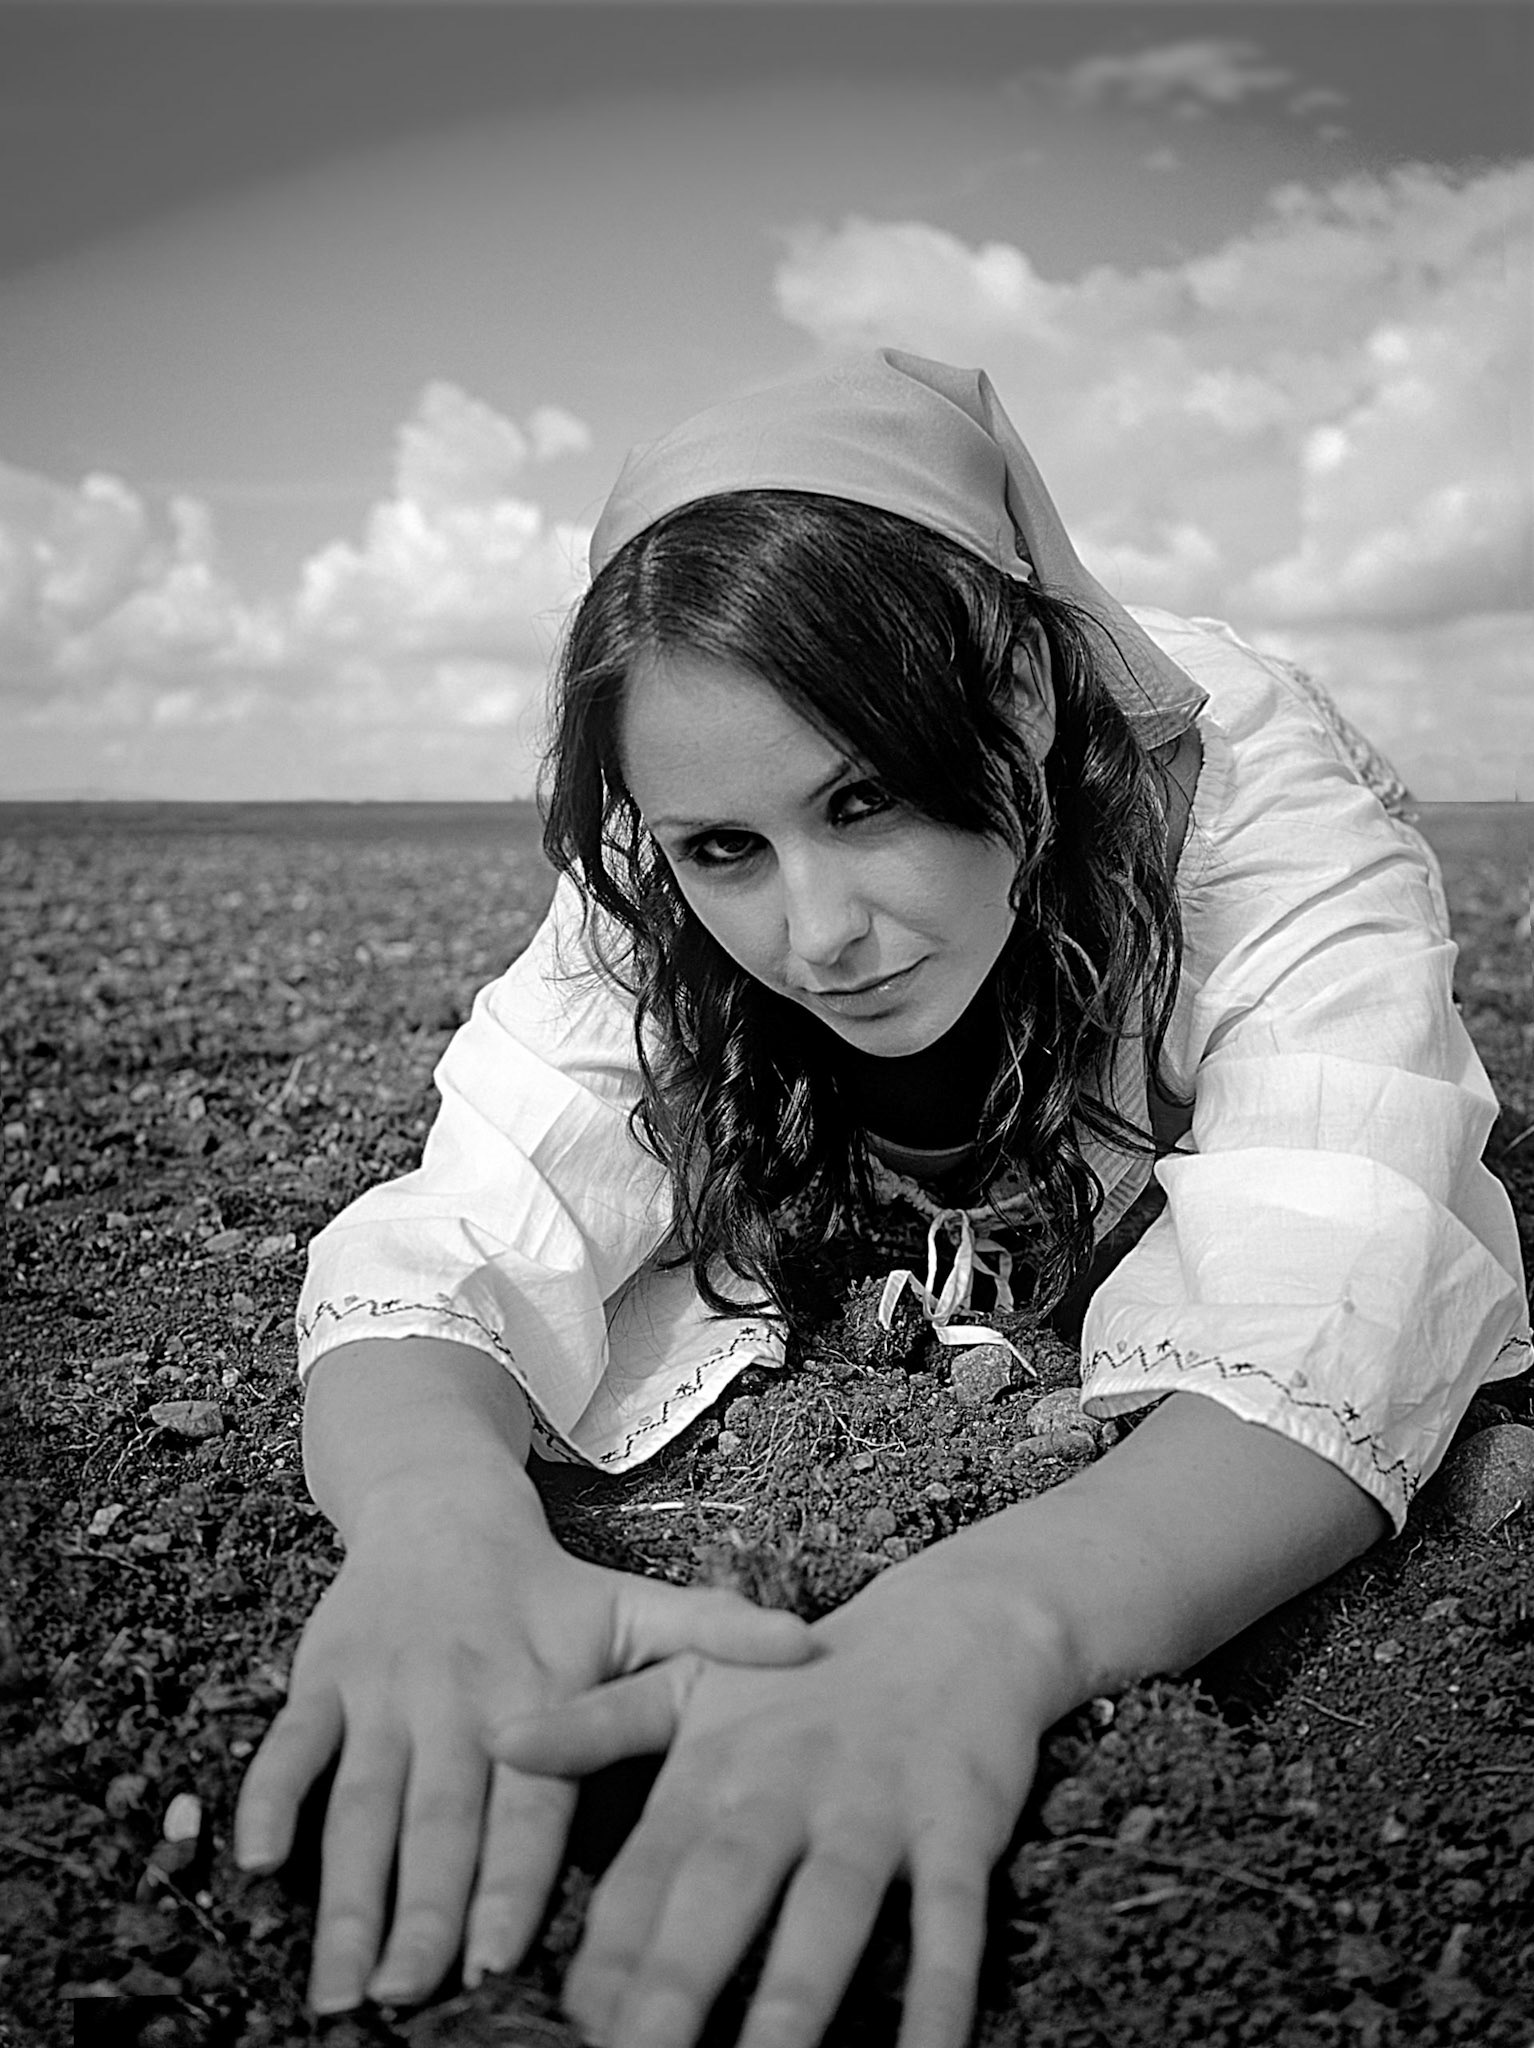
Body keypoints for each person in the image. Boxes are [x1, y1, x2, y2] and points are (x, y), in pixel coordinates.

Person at [234, 350, 1530, 2048]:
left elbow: (1344, 1271)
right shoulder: (665, 827)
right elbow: (475, 1208)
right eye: (727, 852)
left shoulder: (1237, 790)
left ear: (1020, 702)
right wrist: (435, 1533)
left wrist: (994, 1621)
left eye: (867, 799)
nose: (816, 931)